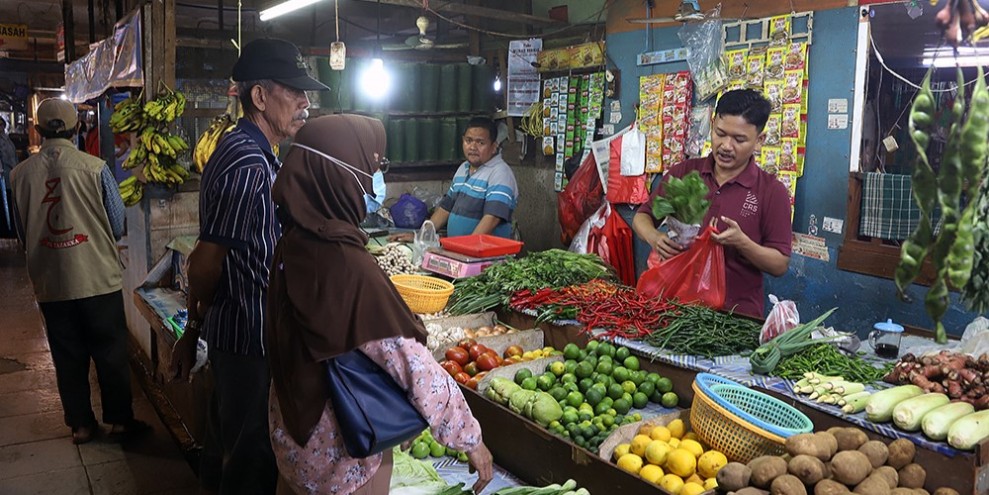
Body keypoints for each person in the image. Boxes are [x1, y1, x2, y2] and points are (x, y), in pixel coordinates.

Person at [266, 113, 493, 495]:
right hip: (341, 454)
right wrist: (470, 438)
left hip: (296, 435)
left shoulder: (296, 242)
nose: (377, 179)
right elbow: (408, 362)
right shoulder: (345, 264)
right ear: (340, 175)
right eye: (372, 167)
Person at [168, 38, 328, 495]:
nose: (305, 102)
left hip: (248, 336)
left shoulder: (259, 152)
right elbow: (205, 262)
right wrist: (192, 330)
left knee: (229, 445)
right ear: (259, 97)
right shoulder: (246, 161)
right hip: (247, 342)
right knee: (250, 458)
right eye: (294, 92)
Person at [8, 98, 149, 444]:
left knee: (67, 355)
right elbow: (116, 224)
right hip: (96, 277)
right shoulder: (96, 168)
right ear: (75, 130)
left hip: (51, 282)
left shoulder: (18, 175)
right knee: (110, 352)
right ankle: (119, 421)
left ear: (38, 130)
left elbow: (21, 233)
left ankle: (82, 425)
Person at [631, 89, 792, 318]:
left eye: (739, 139)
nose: (726, 146)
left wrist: (743, 243)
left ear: (759, 141)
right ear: (712, 124)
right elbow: (642, 217)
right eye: (720, 133)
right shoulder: (684, 172)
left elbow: (780, 264)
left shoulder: (771, 192)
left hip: (734, 318)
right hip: (673, 307)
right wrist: (655, 238)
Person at [395, 117, 518, 240]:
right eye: (468, 141)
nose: (473, 147)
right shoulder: (463, 168)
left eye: (480, 142)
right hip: (459, 250)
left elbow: (492, 218)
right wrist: (422, 236)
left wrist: (467, 245)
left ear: (494, 147)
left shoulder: (500, 173)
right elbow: (445, 208)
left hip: (484, 255)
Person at [0, 116, 17, 238]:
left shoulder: (6, 138)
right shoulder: (2, 140)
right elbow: (7, 158)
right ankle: (8, 230)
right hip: (4, 176)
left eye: (2, 124)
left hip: (10, 176)